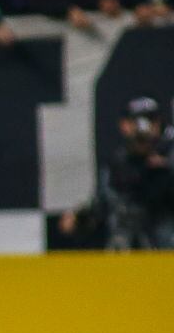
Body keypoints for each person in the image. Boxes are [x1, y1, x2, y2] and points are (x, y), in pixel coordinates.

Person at [60, 96, 174, 249]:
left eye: (150, 121)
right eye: (136, 122)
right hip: (124, 252)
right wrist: (80, 219)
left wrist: (166, 174)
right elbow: (101, 208)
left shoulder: (167, 162)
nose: (143, 128)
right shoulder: (116, 166)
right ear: (124, 125)